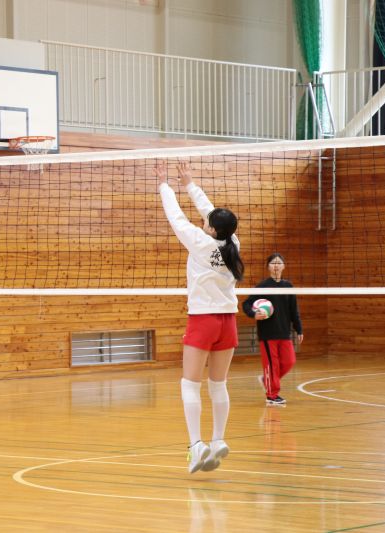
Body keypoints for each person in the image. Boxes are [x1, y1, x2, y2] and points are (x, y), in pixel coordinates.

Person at [156, 160, 244, 474]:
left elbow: (176, 217)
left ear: (210, 228)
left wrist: (165, 185)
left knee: (189, 385)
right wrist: (190, 184)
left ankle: (196, 446)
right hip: (228, 323)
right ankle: (218, 440)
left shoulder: (199, 243)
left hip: (203, 321)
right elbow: (211, 213)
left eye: (208, 221)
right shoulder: (233, 243)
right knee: (217, 385)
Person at [242, 253, 303, 406]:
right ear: (268, 267)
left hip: (284, 332)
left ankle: (266, 379)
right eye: (272, 263)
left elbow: (293, 310)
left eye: (279, 263)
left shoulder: (288, 287)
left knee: (289, 361)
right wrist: (254, 314)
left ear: (284, 266)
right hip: (267, 333)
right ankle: (272, 395)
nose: (276, 265)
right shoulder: (262, 287)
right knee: (271, 365)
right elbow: (246, 304)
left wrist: (299, 329)